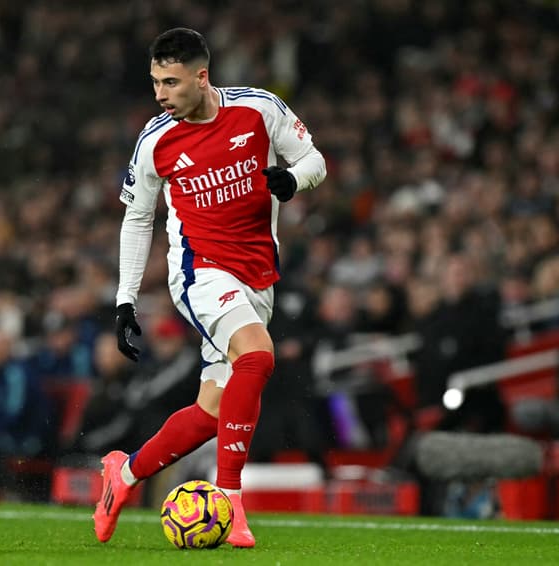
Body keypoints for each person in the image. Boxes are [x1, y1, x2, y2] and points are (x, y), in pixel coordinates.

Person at [93, 28, 326, 548]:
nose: (160, 94)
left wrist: (293, 181)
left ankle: (123, 474)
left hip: (258, 273)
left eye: (171, 82)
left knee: (212, 412)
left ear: (202, 77)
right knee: (258, 358)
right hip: (200, 272)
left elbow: (315, 160)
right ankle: (230, 502)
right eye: (155, 82)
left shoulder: (259, 109)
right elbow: (136, 220)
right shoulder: (156, 139)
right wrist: (125, 298)